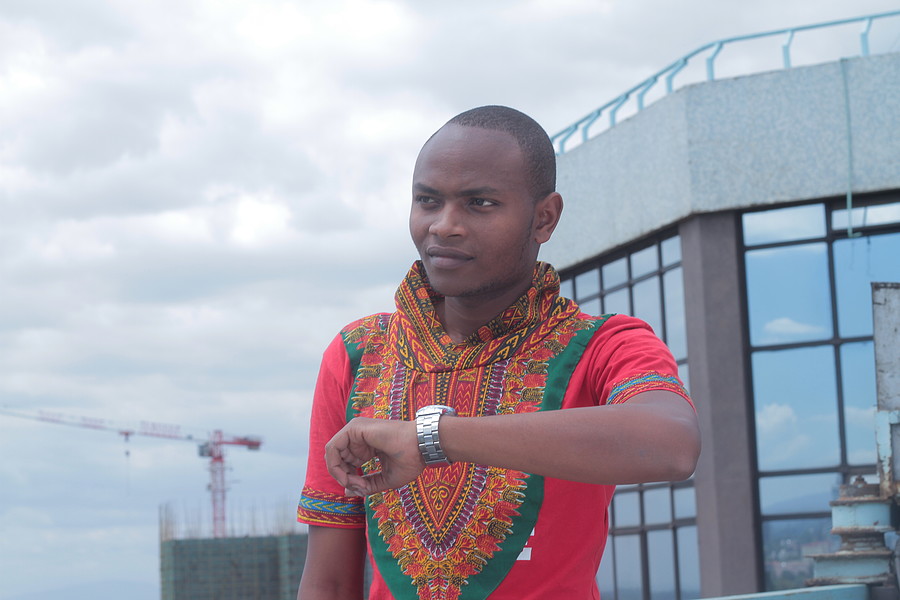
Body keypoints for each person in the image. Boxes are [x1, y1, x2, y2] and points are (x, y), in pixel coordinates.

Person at [296, 106, 700, 600]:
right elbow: (330, 583)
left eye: (480, 203)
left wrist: (431, 439)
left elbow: (671, 445)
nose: (444, 226)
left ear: (544, 218)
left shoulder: (603, 345)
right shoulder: (359, 353)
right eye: (427, 201)